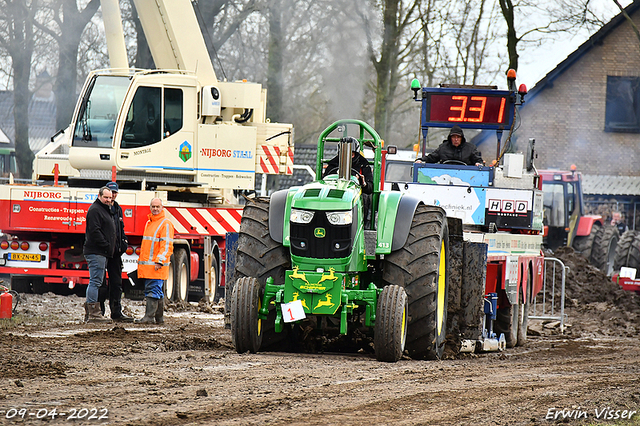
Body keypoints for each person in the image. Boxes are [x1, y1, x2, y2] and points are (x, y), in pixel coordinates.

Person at [135, 198, 175, 324]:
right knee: (156, 290)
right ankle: (158, 318)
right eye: (153, 206)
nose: (155, 209)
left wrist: (160, 261)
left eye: (158, 206)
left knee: (153, 289)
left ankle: (149, 317)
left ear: (162, 207)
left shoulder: (165, 223)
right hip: (150, 266)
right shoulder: (149, 223)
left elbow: (167, 245)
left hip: (156, 265)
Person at [83, 186, 116, 322]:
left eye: (110, 197)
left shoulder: (104, 209)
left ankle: (91, 313)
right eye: (105, 197)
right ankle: (93, 314)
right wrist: (106, 245)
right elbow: (95, 231)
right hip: (97, 252)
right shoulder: (95, 210)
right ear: (99, 196)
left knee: (96, 281)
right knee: (95, 281)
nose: (108, 200)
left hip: (101, 252)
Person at [102, 182, 133, 322]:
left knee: (116, 283)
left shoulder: (118, 209)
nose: (113, 195)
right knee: (101, 283)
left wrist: (124, 243)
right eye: (110, 193)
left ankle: (116, 311)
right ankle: (99, 312)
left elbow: (121, 228)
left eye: (115, 193)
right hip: (103, 252)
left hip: (116, 252)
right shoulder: (100, 208)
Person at [418, 125, 483, 166]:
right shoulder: (443, 148)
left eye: (458, 137)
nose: (456, 139)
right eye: (454, 137)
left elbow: (478, 160)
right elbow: (432, 157)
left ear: (462, 138)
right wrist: (421, 160)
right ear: (450, 138)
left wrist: (479, 163)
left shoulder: (470, 149)